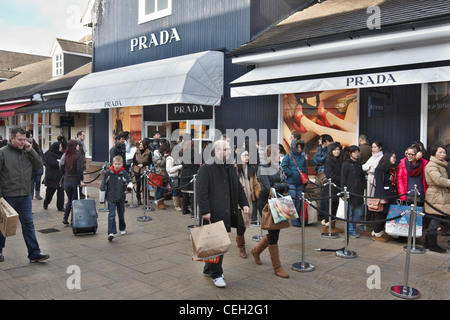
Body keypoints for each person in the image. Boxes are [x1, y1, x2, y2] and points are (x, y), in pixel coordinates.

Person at [196, 139, 249, 288]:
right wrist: (205, 211)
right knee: (216, 244)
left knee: (214, 243)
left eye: (229, 149)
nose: (229, 152)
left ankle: (208, 269)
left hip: (227, 211)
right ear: (217, 151)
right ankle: (216, 274)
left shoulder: (230, 167)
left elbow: (238, 187)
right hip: (213, 213)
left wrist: (244, 203)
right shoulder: (207, 167)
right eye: (225, 150)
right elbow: (201, 191)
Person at [0, 127, 49, 263]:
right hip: (7, 195)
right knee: (3, 225)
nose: (23, 142)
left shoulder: (27, 152)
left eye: (24, 139)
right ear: (12, 139)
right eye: (20, 140)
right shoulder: (3, 153)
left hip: (25, 195)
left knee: (28, 224)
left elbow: (40, 165)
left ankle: (34, 253)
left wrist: (30, 149)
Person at [252, 145, 290, 278]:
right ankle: (277, 268)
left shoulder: (277, 167)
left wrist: (281, 186)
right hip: (267, 204)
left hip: (278, 201)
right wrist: (282, 186)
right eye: (276, 153)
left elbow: (286, 185)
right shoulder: (263, 168)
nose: (279, 155)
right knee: (274, 234)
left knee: (275, 232)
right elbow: (268, 187)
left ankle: (256, 251)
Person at [423, 144, 449, 253]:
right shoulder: (432, 165)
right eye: (440, 152)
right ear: (434, 153)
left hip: (440, 194)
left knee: (435, 220)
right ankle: (433, 246)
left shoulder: (441, 164)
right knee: (435, 220)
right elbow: (438, 180)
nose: (443, 154)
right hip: (436, 195)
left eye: (444, 152)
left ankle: (427, 243)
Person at [100, 155, 132, 242]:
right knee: (111, 215)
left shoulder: (124, 173)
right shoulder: (108, 173)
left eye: (119, 164)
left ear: (122, 164)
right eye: (116, 164)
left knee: (121, 214)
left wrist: (129, 188)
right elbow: (103, 185)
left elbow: (130, 181)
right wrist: (102, 198)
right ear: (113, 164)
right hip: (111, 197)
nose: (117, 166)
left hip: (121, 197)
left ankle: (122, 228)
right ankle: (111, 232)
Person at [235, 148, 261, 258]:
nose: (246, 157)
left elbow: (255, 184)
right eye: (244, 155)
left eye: (247, 155)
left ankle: (239, 237)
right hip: (237, 200)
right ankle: (242, 246)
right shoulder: (235, 169)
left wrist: (260, 194)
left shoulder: (252, 169)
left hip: (249, 199)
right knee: (240, 223)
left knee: (246, 223)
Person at [372, 152, 398, 242]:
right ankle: (376, 232)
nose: (394, 159)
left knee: (387, 214)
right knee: (381, 214)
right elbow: (379, 184)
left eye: (395, 157)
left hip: (392, 195)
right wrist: (382, 197)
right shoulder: (380, 169)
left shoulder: (393, 169)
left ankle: (380, 231)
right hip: (383, 196)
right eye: (393, 157)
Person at [340, 145, 366, 238]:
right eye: (354, 152)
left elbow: (362, 177)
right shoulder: (346, 164)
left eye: (358, 152)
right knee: (349, 213)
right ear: (350, 153)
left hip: (359, 192)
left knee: (358, 213)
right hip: (350, 192)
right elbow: (343, 179)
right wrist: (343, 192)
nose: (356, 154)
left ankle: (353, 228)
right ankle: (351, 230)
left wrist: (364, 187)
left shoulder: (359, 164)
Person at [281, 138, 307, 227]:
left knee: (299, 201)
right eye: (298, 147)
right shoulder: (288, 156)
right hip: (291, 182)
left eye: (300, 147)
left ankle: (297, 218)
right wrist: (290, 173)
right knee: (293, 201)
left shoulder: (302, 157)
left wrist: (306, 179)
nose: (299, 149)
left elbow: (305, 167)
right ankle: (294, 220)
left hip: (300, 182)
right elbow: (283, 166)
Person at [320, 142, 344, 234]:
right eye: (335, 150)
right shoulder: (329, 160)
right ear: (331, 151)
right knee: (330, 208)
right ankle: (327, 227)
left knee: (334, 206)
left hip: (337, 187)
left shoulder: (339, 160)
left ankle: (332, 225)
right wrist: (341, 178)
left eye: (338, 149)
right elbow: (329, 175)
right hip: (331, 187)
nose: (337, 151)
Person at [60, 139, 85, 225]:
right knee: (74, 201)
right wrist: (81, 180)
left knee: (70, 200)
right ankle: (72, 219)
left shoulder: (65, 156)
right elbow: (79, 169)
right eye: (77, 145)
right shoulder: (78, 156)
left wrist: (64, 175)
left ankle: (65, 218)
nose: (78, 147)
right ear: (74, 146)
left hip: (67, 181)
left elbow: (61, 166)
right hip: (75, 181)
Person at [180, 140, 200, 216]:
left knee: (184, 192)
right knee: (193, 193)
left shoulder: (182, 153)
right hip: (193, 173)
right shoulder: (196, 153)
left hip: (185, 174)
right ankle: (193, 211)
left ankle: (184, 209)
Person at [43, 142, 65, 212]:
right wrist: (59, 162)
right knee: (50, 192)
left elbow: (63, 162)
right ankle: (46, 202)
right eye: (60, 147)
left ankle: (60, 207)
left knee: (61, 192)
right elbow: (54, 163)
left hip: (60, 176)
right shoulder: (49, 154)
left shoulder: (62, 154)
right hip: (52, 177)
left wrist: (59, 162)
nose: (61, 148)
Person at [132, 140, 152, 205]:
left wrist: (143, 164)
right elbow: (134, 159)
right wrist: (137, 164)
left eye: (141, 144)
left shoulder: (148, 152)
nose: (140, 146)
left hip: (144, 170)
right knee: (138, 185)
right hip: (137, 169)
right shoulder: (137, 151)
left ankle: (145, 199)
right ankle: (138, 199)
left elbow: (150, 161)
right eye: (140, 144)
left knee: (144, 185)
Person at [26, 130, 44, 200]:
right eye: (29, 137)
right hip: (31, 169)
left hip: (38, 168)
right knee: (31, 182)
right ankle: (31, 195)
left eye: (31, 137)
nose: (31, 138)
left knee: (38, 181)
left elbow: (41, 156)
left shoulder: (36, 146)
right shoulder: (24, 147)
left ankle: (37, 193)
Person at [166, 142, 183, 211]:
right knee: (175, 191)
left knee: (180, 191)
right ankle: (176, 205)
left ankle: (181, 204)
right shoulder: (169, 158)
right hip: (173, 177)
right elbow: (169, 170)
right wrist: (179, 167)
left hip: (179, 176)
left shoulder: (178, 157)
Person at [153, 142, 170, 209]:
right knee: (159, 189)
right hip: (159, 174)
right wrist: (164, 157)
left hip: (165, 174)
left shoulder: (163, 154)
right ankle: (158, 203)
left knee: (163, 189)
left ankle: (162, 202)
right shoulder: (156, 154)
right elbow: (160, 163)